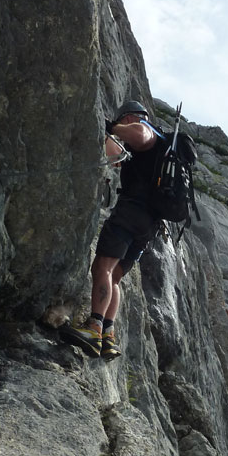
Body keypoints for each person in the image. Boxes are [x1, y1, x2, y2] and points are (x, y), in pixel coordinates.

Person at [60, 100, 163, 359]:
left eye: (125, 120)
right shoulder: (154, 156)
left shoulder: (145, 130)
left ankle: (94, 328)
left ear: (130, 117)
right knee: (115, 276)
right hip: (149, 223)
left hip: (131, 213)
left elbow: (140, 133)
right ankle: (108, 335)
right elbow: (115, 157)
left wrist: (114, 127)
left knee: (102, 267)